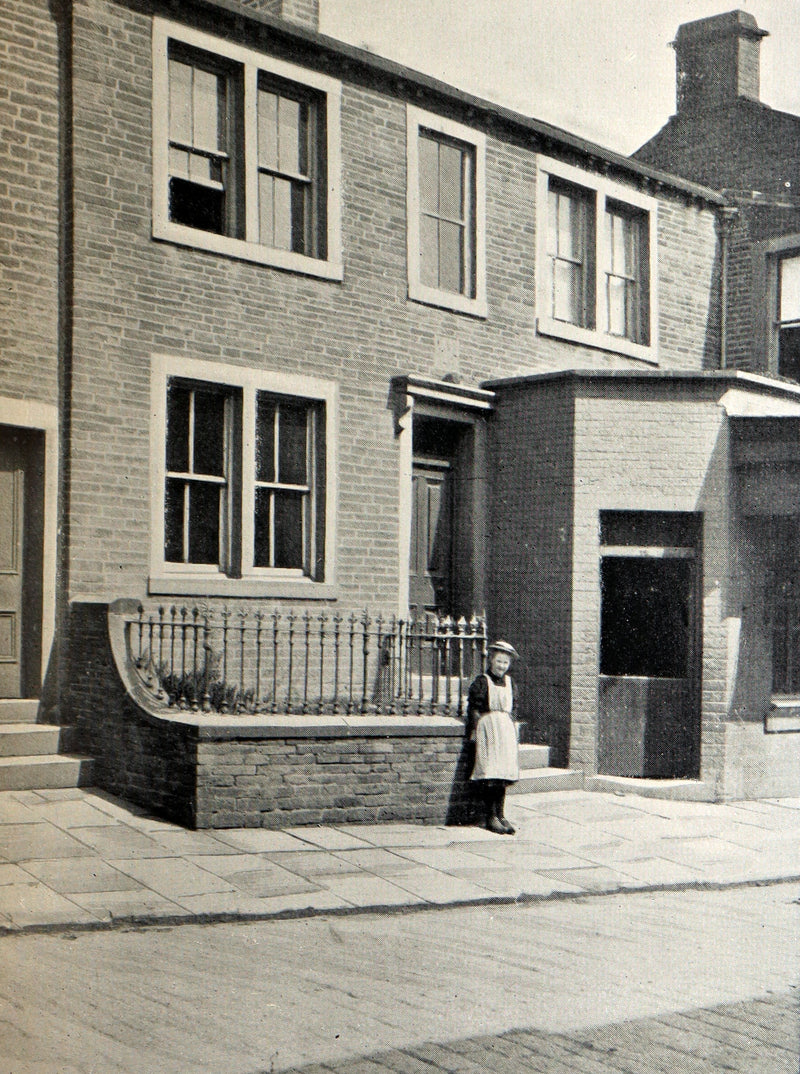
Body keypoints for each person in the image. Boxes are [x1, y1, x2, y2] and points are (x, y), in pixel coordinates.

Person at [465, 640, 520, 834]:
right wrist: (474, 730)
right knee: (491, 772)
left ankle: (501, 814)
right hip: (488, 729)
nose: (502, 666)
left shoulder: (510, 682)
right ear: (491, 661)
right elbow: (474, 708)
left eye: (505, 663)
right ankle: (490, 817)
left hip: (505, 729)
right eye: (498, 662)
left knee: (503, 774)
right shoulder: (482, 681)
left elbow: (514, 708)